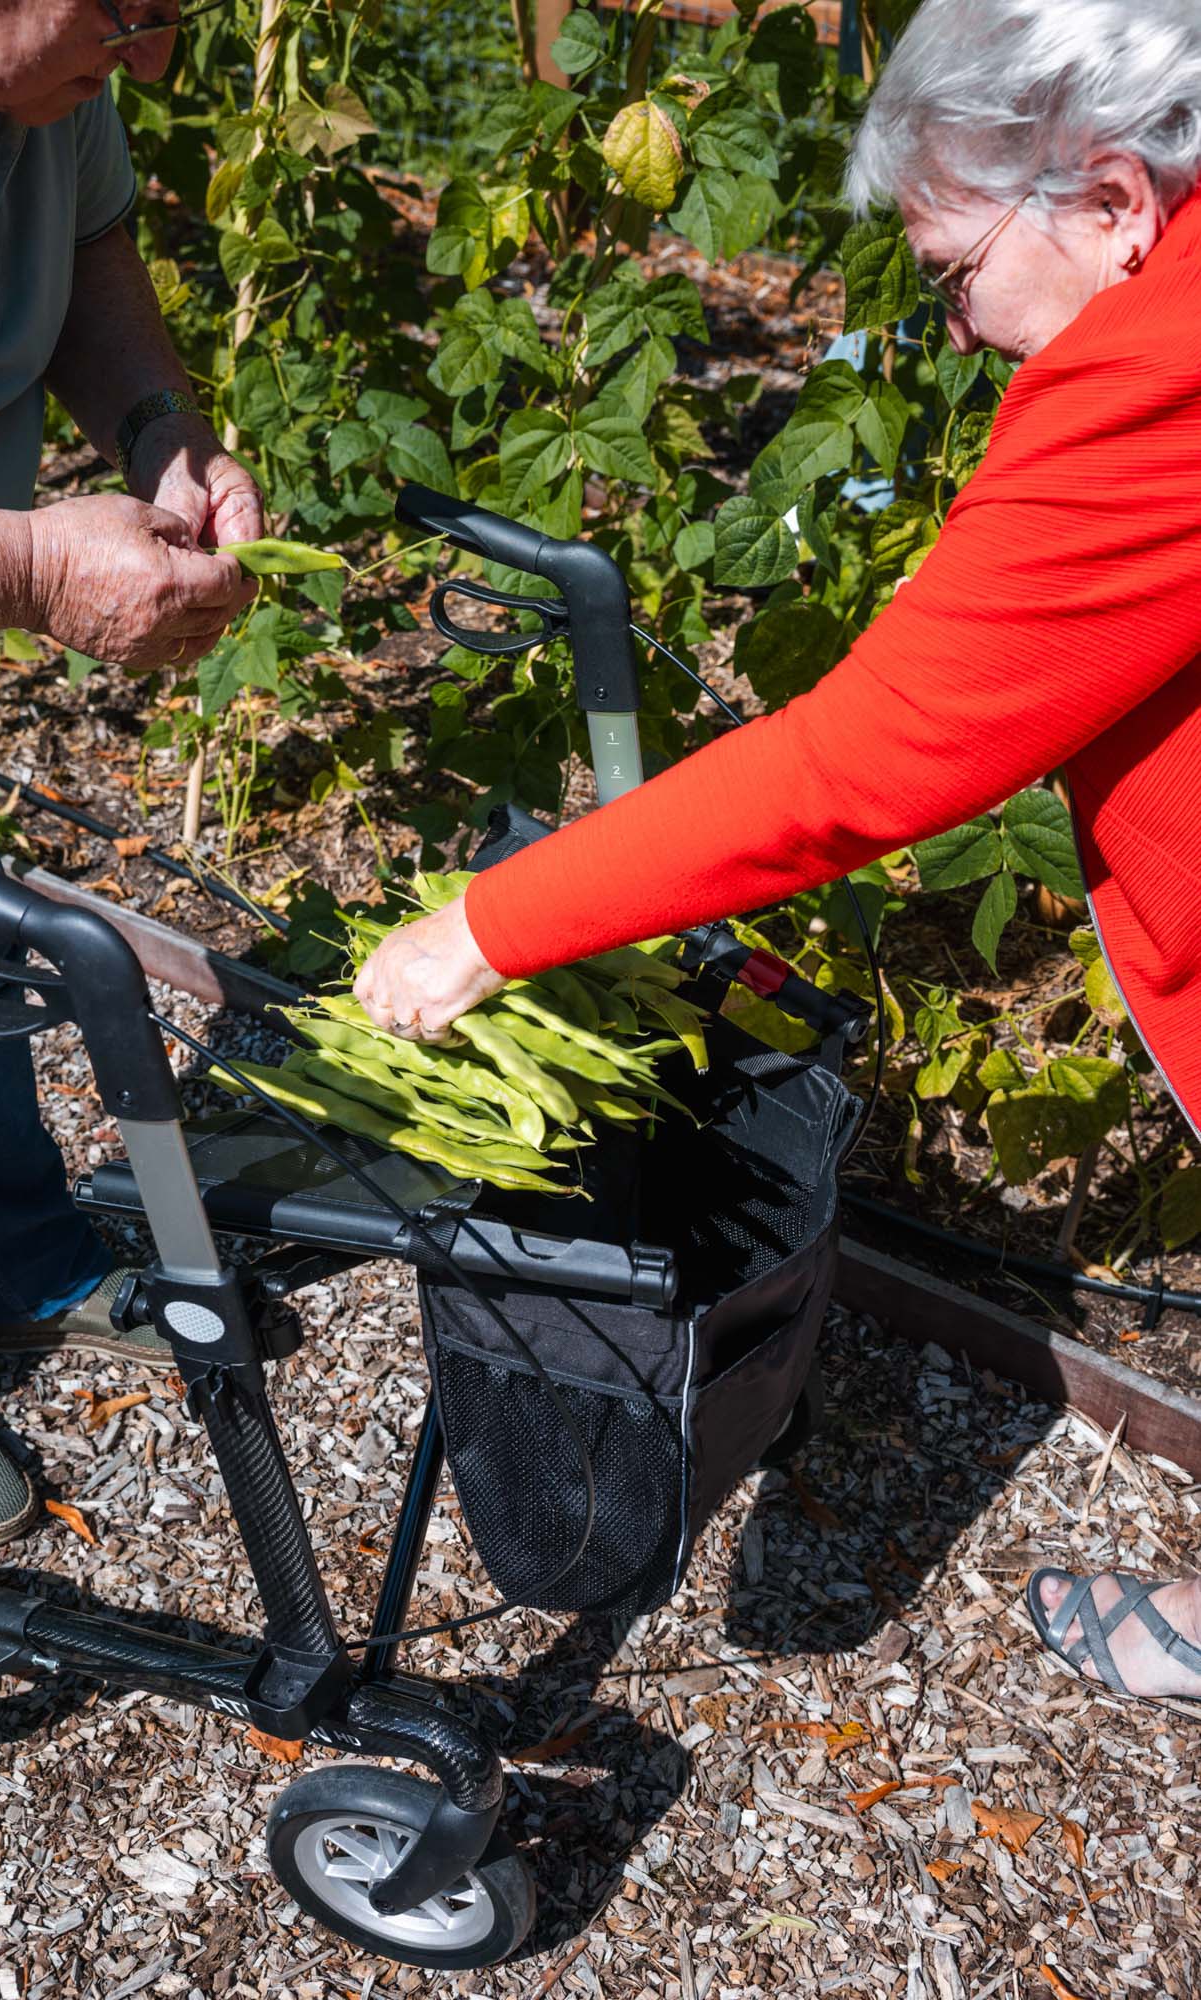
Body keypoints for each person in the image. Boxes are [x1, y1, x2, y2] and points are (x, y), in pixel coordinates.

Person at [353, 0, 1201, 1707]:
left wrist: (491, 925)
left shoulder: (1154, 380)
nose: (949, 331)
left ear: (1111, 201)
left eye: (951, 273)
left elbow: (868, 757)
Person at [0, 1, 261, 1548]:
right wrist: (30, 560)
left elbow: (95, 259)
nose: (155, 59)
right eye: (128, 10)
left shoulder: (31, 89)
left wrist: (156, 427)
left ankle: (26, 1266)